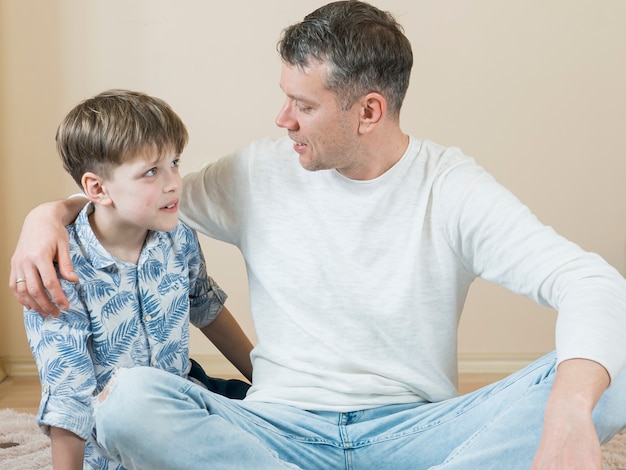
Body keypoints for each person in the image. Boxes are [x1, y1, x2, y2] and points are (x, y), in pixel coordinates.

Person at [10, 2, 626, 469]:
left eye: (302, 105)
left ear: (369, 111)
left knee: (613, 369)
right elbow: (135, 198)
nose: (283, 120)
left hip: (414, 434)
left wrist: (570, 411)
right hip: (276, 432)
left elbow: (590, 281)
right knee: (126, 401)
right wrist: (47, 216)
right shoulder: (258, 171)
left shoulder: (451, 187)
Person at [21, 89, 253, 470]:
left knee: (279, 419)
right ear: (97, 188)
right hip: (115, 437)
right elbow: (68, 396)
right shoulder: (60, 269)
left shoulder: (178, 236)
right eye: (151, 171)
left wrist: (264, 382)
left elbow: (205, 306)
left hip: (184, 394)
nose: (174, 182)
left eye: (174, 162)